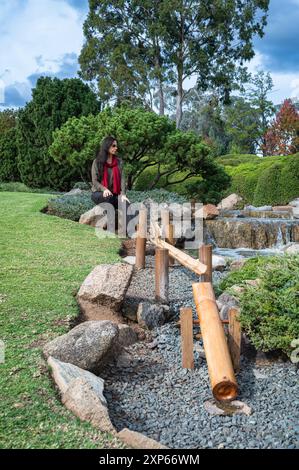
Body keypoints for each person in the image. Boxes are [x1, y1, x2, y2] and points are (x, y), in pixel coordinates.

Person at [91, 136, 131, 232]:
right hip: (98, 193)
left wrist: (123, 195)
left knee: (126, 203)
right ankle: (110, 228)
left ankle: (126, 233)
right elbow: (94, 181)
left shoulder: (119, 162)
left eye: (116, 146)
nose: (116, 148)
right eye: (113, 146)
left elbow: (122, 179)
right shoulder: (97, 162)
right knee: (108, 197)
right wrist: (104, 189)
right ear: (107, 146)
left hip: (114, 194)